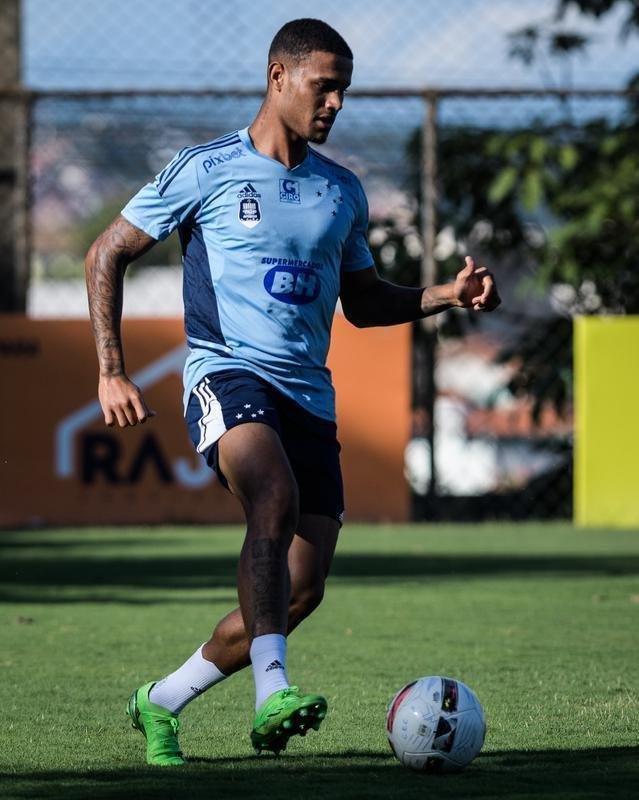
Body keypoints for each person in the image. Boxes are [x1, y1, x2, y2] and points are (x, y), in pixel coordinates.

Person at [84, 18, 500, 766]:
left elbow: (363, 301)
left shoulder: (340, 190)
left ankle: (161, 700)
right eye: (323, 85)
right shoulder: (204, 168)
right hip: (225, 374)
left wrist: (444, 294)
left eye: (344, 88)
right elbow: (105, 253)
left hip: (309, 396)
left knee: (297, 591)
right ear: (278, 78)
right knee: (268, 496)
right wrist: (111, 368)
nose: (335, 102)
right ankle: (273, 692)